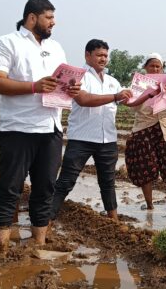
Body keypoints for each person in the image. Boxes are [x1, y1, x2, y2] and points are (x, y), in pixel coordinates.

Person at [0, 0, 80, 252]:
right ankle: (1, 247)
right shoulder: (8, 43)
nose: (53, 22)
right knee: (10, 187)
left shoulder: (57, 49)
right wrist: (34, 86)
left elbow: (59, 86)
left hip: (51, 128)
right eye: (49, 17)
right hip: (18, 128)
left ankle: (38, 243)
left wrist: (71, 88)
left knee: (45, 188)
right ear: (32, 18)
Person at [51, 39, 132, 222]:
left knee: (108, 183)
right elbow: (84, 99)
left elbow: (127, 101)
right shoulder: (78, 77)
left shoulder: (112, 81)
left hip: (107, 139)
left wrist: (149, 93)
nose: (103, 59)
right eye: (99, 55)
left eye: (105, 55)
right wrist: (115, 96)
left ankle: (114, 220)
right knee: (66, 181)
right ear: (87, 55)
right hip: (82, 138)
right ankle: (46, 220)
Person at [124, 53, 166, 209]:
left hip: (165, 130)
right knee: (145, 169)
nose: (155, 68)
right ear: (145, 68)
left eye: (158, 66)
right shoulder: (137, 85)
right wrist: (145, 94)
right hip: (143, 129)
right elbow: (133, 107)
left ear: (162, 69)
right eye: (151, 66)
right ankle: (149, 205)